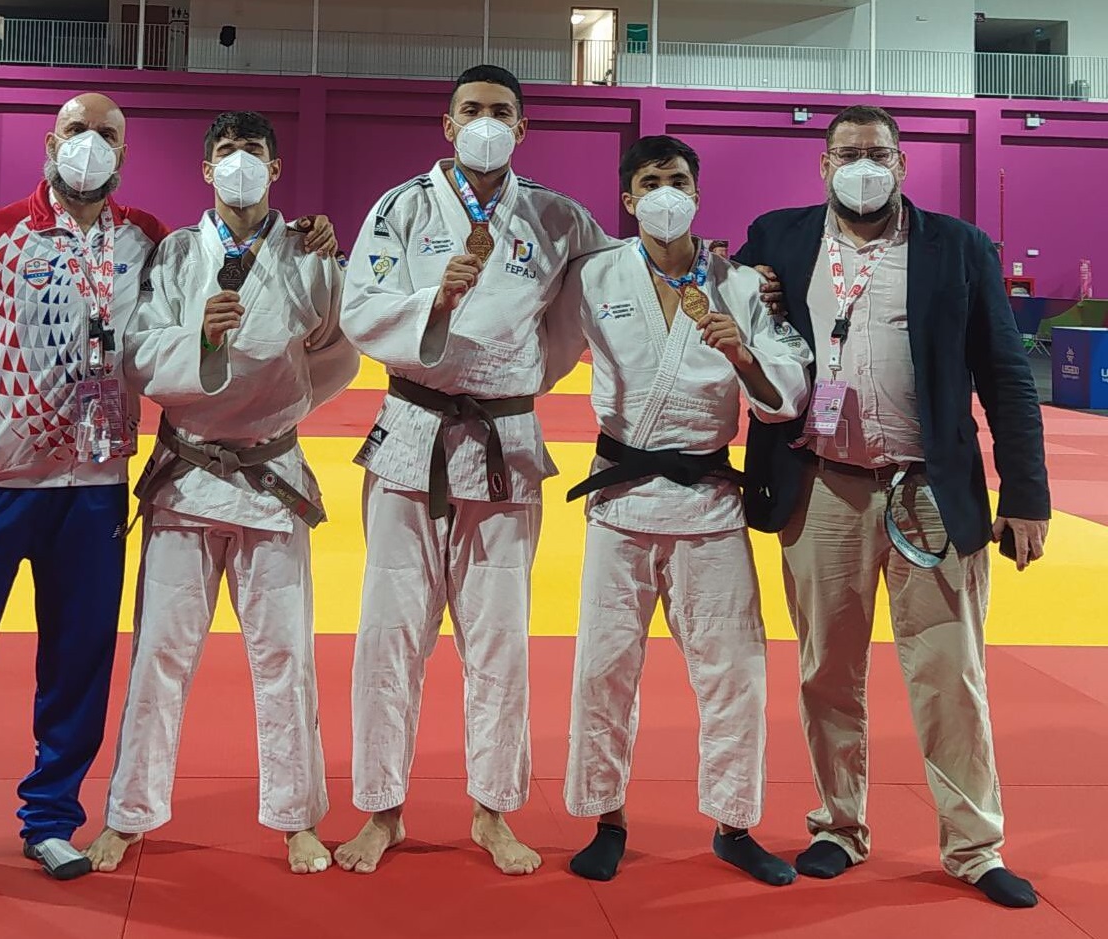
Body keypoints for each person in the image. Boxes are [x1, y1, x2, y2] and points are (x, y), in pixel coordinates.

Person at [0, 93, 336, 892]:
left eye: (106, 134)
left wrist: (311, 237)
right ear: (52, 142)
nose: (90, 145)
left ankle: (49, 819)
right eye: (77, 131)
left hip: (93, 485)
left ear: (125, 150)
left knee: (77, 665)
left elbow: (228, 313)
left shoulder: (145, 239)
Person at [732, 105, 1050, 908]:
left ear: (902, 164)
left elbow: (1007, 376)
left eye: (877, 153)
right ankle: (838, 823)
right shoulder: (776, 237)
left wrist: (1026, 493)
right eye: (847, 153)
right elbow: (719, 306)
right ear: (822, 164)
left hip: (927, 492)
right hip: (821, 482)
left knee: (950, 675)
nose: (862, 166)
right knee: (826, 672)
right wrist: (738, 279)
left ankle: (974, 844)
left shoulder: (959, 248)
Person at [334, 64, 621, 875]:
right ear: (447, 122)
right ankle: (381, 810)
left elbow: (601, 301)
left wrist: (532, 374)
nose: (485, 121)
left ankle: (492, 809)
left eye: (501, 111)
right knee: (388, 636)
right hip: (410, 435)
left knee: (498, 640)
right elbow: (359, 307)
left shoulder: (560, 218)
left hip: (503, 441)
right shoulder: (398, 207)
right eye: (472, 110)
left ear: (522, 129)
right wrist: (433, 297)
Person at [84, 110, 357, 876]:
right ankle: (130, 813)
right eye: (228, 152)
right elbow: (137, 356)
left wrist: (287, 401)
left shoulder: (309, 254)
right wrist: (200, 343)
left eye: (255, 152)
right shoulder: (174, 253)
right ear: (207, 170)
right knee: (159, 656)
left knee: (284, 655)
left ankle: (297, 817)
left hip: (270, 476)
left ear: (276, 167)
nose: (241, 163)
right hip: (188, 476)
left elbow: (338, 353)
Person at [554, 135, 810, 885]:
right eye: (649, 182)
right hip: (620, 495)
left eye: (677, 180)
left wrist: (742, 355)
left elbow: (787, 394)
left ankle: (733, 823)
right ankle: (605, 815)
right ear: (627, 200)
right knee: (603, 667)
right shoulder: (593, 274)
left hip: (708, 500)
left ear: (696, 193)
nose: (665, 192)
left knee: (733, 669)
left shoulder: (739, 284)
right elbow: (528, 339)